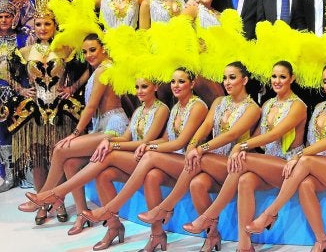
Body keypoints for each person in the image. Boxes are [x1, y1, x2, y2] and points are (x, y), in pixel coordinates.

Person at [84, 62, 260, 251]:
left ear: (245, 80)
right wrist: (194, 145)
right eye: (224, 77)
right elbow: (205, 128)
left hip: (230, 165)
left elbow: (230, 135)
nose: (227, 82)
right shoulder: (218, 103)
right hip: (204, 162)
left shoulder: (252, 108)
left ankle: (117, 207)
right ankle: (205, 235)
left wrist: (199, 148)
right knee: (185, 182)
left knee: (151, 158)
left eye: (232, 77)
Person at [53, 68, 207, 251]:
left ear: (192, 84)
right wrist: (108, 141)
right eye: (173, 82)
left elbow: (178, 143)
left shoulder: (192, 106)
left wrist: (140, 146)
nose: (176, 86)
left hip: (186, 161)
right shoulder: (172, 107)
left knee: (114, 155)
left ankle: (68, 195)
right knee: (108, 175)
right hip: (164, 158)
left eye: (181, 81)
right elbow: (165, 139)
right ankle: (125, 228)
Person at [23, 78, 169, 248]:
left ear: (156, 87)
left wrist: (112, 144)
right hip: (134, 158)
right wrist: (108, 141)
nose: (140, 91)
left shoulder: (162, 109)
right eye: (136, 87)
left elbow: (145, 142)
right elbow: (125, 138)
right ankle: (114, 227)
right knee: (103, 175)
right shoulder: (139, 110)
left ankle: (57, 192)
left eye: (144, 87)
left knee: (108, 155)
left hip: (147, 158)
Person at [178, 61, 306, 252]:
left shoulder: (298, 106)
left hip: (288, 165)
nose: (277, 81)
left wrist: (240, 146)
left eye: (282, 77)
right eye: (274, 76)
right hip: (267, 164)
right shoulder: (268, 104)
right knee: (244, 179)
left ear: (292, 78)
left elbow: (274, 135)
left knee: (238, 159)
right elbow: (258, 138)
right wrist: (243, 148)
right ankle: (244, 246)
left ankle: (209, 215)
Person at [17, 34, 129, 232]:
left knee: (61, 149)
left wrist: (75, 133)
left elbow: (91, 106)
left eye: (93, 50)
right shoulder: (100, 70)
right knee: (69, 163)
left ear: (104, 48)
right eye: (85, 51)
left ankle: (45, 196)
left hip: (113, 128)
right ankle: (81, 214)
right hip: (102, 126)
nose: (88, 55)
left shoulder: (105, 70)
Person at [246, 64, 326, 252]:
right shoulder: (319, 107)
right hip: (316, 166)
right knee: (305, 185)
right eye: (325, 81)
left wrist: (299, 155)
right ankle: (321, 240)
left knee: (305, 160)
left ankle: (270, 213)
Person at [9, 10, 80, 225]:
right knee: (38, 157)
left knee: (57, 156)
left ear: (54, 25)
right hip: (35, 111)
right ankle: (41, 203)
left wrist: (73, 87)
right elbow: (6, 71)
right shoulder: (25, 51)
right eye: (38, 24)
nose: (42, 28)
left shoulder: (65, 49)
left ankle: (57, 200)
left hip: (60, 110)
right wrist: (21, 90)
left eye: (47, 23)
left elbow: (87, 69)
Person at [0, 0, 27, 193]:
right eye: (0, 17)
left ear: (14, 18)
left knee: (16, 130)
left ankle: (21, 172)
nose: (3, 20)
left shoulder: (23, 38)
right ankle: (7, 175)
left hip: (18, 90)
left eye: (7, 16)